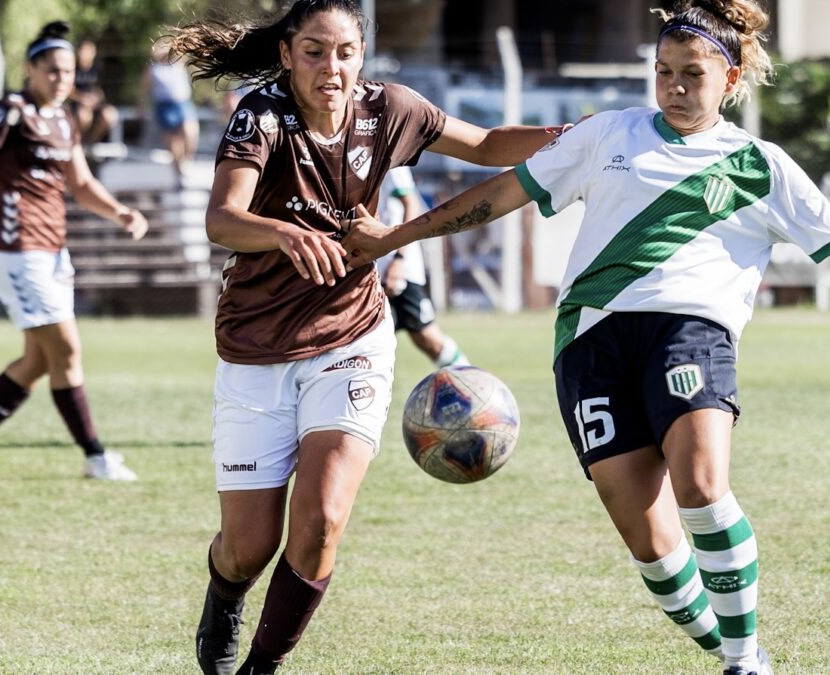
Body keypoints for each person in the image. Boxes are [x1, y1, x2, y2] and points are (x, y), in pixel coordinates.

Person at [342, 1, 830, 673]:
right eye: (664, 72)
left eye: (692, 74)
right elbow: (502, 193)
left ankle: (742, 662)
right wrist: (397, 237)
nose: (676, 87)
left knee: (702, 483)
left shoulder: (758, 165)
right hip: (588, 344)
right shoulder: (607, 135)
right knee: (650, 539)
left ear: (731, 78)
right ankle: (738, 651)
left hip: (690, 328)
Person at [164, 1, 567, 672]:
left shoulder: (391, 111)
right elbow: (223, 218)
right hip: (255, 350)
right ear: (288, 54)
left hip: (351, 338)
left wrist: (574, 135)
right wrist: (286, 234)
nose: (333, 67)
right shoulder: (262, 117)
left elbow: (490, 146)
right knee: (248, 545)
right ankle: (225, 592)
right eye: (316, 52)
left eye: (346, 51)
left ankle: (261, 665)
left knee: (320, 520)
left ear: (362, 54)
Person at [0, 21, 149, 482]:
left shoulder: (65, 119)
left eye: (67, 72)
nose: (61, 79)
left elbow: (81, 184)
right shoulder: (10, 112)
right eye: (52, 70)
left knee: (40, 359)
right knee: (66, 350)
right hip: (14, 249)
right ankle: (95, 455)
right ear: (31, 69)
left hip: (51, 252)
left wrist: (121, 212)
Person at [376, 166, 469, 368]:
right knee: (368, 341)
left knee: (426, 336)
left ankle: (470, 383)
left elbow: (412, 204)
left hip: (395, 268)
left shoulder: (388, 155)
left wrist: (399, 259)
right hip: (370, 267)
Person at [143, 42, 198, 184]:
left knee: (190, 132)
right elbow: (145, 88)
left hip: (182, 103)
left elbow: (184, 51)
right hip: (165, 105)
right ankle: (178, 173)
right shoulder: (154, 69)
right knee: (173, 141)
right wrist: (142, 106)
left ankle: (187, 161)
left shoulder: (178, 63)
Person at [68, 38, 119, 144]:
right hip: (79, 105)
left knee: (110, 114)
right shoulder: (73, 69)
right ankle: (78, 142)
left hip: (94, 104)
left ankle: (92, 141)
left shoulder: (97, 69)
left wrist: (96, 98)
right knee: (84, 116)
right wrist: (83, 99)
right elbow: (69, 90)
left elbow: (99, 89)